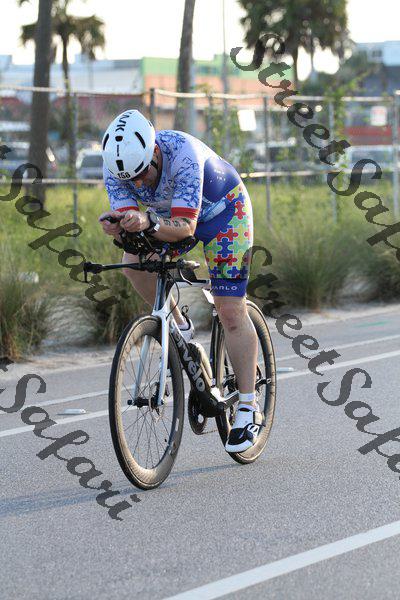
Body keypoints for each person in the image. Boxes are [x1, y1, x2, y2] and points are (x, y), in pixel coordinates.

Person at [99, 109, 260, 452]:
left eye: (142, 174)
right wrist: (119, 226)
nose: (138, 184)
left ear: (155, 152)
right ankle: (179, 327)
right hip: (169, 218)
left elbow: (185, 228)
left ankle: (248, 408)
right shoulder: (116, 167)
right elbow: (133, 224)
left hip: (224, 214)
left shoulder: (182, 154)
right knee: (132, 262)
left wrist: (148, 221)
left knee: (230, 310)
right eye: (131, 181)